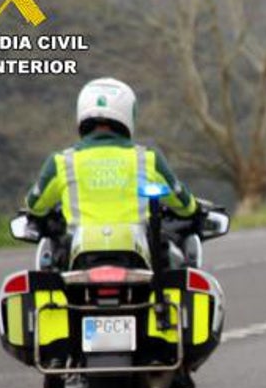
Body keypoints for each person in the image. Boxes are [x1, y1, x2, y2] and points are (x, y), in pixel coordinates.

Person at [25, 77, 198, 270]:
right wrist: (192, 208)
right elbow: (186, 206)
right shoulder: (148, 158)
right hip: (139, 261)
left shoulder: (61, 162)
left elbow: (35, 205)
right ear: (129, 114)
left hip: (79, 261)